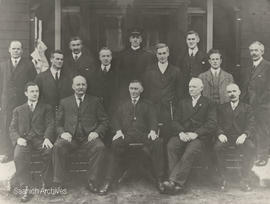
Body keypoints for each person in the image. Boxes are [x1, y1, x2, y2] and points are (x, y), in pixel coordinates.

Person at [52, 75, 113, 195]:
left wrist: (96, 132)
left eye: (83, 84)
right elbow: (57, 123)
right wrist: (63, 133)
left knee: (100, 147)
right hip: (71, 138)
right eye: (78, 84)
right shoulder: (65, 102)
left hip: (88, 138)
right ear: (73, 86)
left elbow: (104, 121)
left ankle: (92, 181)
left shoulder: (95, 101)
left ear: (86, 86)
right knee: (58, 146)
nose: (81, 87)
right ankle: (58, 183)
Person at [163, 78, 216, 194]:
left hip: (199, 137)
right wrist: (181, 132)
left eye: (194, 87)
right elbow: (175, 121)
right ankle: (177, 184)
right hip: (184, 134)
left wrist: (196, 133)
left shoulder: (209, 103)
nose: (191, 89)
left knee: (190, 151)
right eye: (189, 87)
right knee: (171, 146)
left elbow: (211, 124)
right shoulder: (183, 102)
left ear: (201, 88)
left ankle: (173, 181)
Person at [111, 80, 165, 193]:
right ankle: (111, 179)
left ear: (141, 90)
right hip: (127, 135)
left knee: (158, 143)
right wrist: (118, 131)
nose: (133, 91)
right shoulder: (123, 104)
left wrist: (153, 131)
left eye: (136, 89)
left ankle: (160, 179)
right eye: (131, 88)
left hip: (143, 135)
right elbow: (115, 119)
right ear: (128, 89)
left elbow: (153, 119)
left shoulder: (148, 104)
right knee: (115, 143)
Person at [9, 82, 54, 202]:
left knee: (49, 150)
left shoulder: (46, 108)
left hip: (40, 139)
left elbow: (51, 124)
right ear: (26, 93)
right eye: (32, 91)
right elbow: (12, 128)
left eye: (37, 91)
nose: (35, 94)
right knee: (18, 155)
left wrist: (47, 138)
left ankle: (46, 182)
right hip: (24, 140)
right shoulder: (18, 110)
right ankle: (26, 187)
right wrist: (18, 139)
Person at [214, 83, 255, 192]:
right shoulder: (221, 108)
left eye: (234, 91)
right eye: (229, 92)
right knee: (218, 147)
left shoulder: (247, 108)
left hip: (240, 137)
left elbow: (251, 125)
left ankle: (245, 179)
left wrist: (244, 135)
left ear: (239, 92)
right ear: (227, 94)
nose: (232, 94)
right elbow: (216, 123)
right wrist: (220, 133)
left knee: (250, 147)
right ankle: (223, 179)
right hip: (226, 137)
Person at [0, 40, 37, 162]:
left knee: (20, 126)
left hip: (21, 101)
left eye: (18, 49)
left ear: (22, 50)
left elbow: (33, 83)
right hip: (6, 102)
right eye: (14, 49)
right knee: (6, 125)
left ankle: (18, 152)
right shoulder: (3, 65)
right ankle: (6, 152)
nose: (16, 51)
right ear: (9, 50)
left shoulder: (28, 65)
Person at [143, 43, 184, 143]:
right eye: (159, 53)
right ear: (156, 55)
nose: (162, 56)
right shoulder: (149, 70)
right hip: (153, 107)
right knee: (153, 136)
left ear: (168, 53)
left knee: (168, 135)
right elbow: (146, 91)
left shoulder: (176, 71)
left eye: (164, 53)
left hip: (169, 109)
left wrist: (175, 106)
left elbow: (180, 92)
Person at [241, 41, 270, 166]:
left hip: (263, 105)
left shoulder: (268, 66)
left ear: (262, 52)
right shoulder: (248, 67)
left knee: (262, 130)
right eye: (251, 50)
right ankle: (252, 156)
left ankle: (263, 156)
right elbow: (246, 87)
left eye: (256, 50)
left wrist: (259, 102)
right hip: (249, 105)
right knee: (250, 130)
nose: (253, 53)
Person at [117, 28, 154, 100]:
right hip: (127, 89)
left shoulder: (147, 56)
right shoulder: (123, 55)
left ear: (141, 40)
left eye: (138, 37)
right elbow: (120, 74)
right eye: (133, 37)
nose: (135, 39)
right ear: (130, 40)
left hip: (143, 88)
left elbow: (149, 75)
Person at [87, 47, 119, 117]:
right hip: (96, 107)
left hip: (113, 108)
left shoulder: (118, 73)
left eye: (108, 56)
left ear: (111, 57)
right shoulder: (92, 72)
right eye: (103, 56)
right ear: (99, 58)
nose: (106, 58)